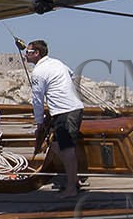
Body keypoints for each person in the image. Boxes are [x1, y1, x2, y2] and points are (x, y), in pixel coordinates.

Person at [24, 39, 86, 197]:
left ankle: (72, 188)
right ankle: (74, 178)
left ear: (37, 53)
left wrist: (38, 122)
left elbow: (37, 99)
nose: (25, 55)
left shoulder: (38, 72)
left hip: (65, 111)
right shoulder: (57, 63)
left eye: (29, 52)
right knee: (56, 146)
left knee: (66, 150)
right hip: (73, 108)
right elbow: (70, 73)